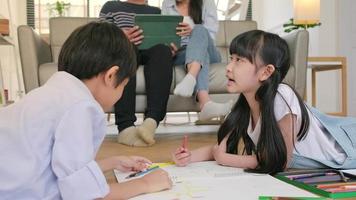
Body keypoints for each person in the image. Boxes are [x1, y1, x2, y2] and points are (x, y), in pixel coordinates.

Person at [0, 22, 172, 199]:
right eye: (124, 86)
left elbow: (62, 166)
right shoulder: (80, 107)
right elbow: (85, 195)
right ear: (111, 76)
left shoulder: (55, 94)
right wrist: (145, 183)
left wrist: (113, 162)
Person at [172, 30, 356, 174]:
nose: (228, 67)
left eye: (239, 60)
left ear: (266, 72)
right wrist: (189, 157)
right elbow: (219, 150)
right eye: (231, 59)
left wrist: (225, 159)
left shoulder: (283, 96)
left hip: (349, 149)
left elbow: (278, 161)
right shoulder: (245, 104)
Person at [100, 0, 174, 146]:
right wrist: (122, 37)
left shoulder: (156, 12)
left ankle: (151, 122)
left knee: (163, 51)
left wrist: (170, 45)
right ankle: (125, 128)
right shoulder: (111, 6)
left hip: (150, 49)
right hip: (123, 48)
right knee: (126, 51)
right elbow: (101, 35)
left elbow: (164, 38)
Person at [162, 0, 233, 121]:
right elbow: (164, 34)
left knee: (199, 29)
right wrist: (170, 46)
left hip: (209, 49)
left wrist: (192, 32)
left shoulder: (207, 3)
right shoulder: (167, 3)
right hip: (181, 52)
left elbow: (210, 35)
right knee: (201, 55)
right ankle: (205, 103)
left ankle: (190, 78)